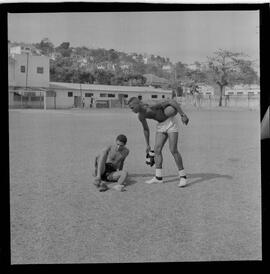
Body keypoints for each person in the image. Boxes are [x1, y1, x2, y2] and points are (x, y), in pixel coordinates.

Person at [128, 97, 189, 187]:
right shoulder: (141, 116)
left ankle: (183, 177)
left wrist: (183, 115)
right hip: (160, 125)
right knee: (157, 150)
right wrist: (147, 144)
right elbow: (146, 129)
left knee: (173, 149)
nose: (131, 110)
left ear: (138, 104)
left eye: (132, 107)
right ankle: (158, 177)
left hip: (170, 122)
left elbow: (171, 101)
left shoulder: (151, 105)